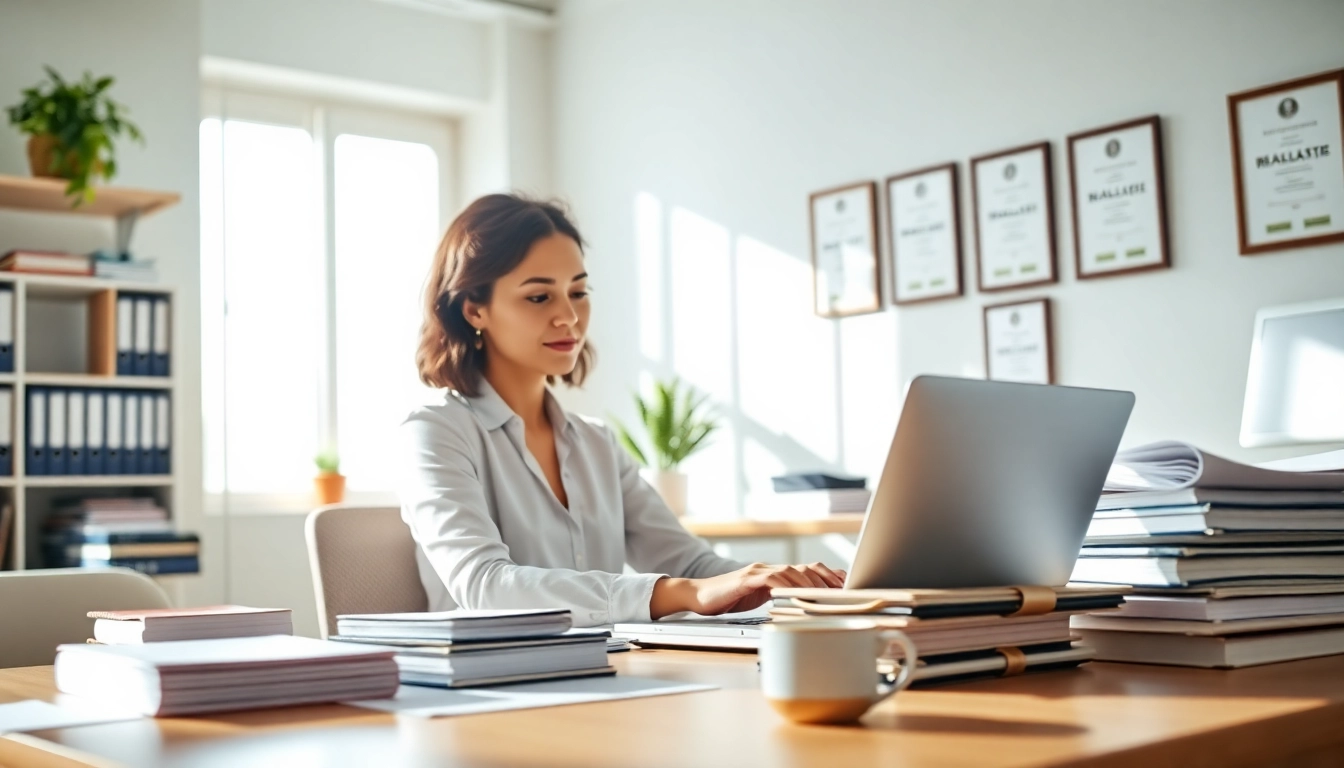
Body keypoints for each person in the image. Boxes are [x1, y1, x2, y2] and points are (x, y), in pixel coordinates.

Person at [401, 193, 845, 627]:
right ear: (475, 309)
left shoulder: (596, 443)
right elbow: (484, 587)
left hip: (605, 673)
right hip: (489, 686)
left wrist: (788, 586)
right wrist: (683, 593)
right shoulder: (436, 431)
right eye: (539, 297)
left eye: (578, 292)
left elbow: (689, 561)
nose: (569, 317)